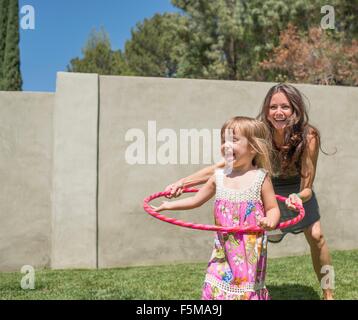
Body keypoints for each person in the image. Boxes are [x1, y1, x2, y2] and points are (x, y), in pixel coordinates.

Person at [165, 83, 334, 300]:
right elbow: (222, 166)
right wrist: (183, 182)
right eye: (273, 107)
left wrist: (297, 197)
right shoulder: (259, 131)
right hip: (264, 185)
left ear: (295, 110)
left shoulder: (308, 136)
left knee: (317, 236)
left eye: (286, 107)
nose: (279, 112)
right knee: (252, 240)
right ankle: (245, 287)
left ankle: (329, 292)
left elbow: (308, 187)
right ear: (266, 110)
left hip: (296, 189)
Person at [152, 116, 281, 300]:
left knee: (246, 290)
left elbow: (273, 208)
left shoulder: (261, 178)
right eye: (223, 141)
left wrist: (270, 220)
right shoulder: (218, 177)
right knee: (215, 287)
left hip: (249, 252)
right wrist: (168, 205)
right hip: (222, 250)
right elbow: (196, 199)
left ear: (253, 147)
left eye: (233, 140)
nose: (226, 145)